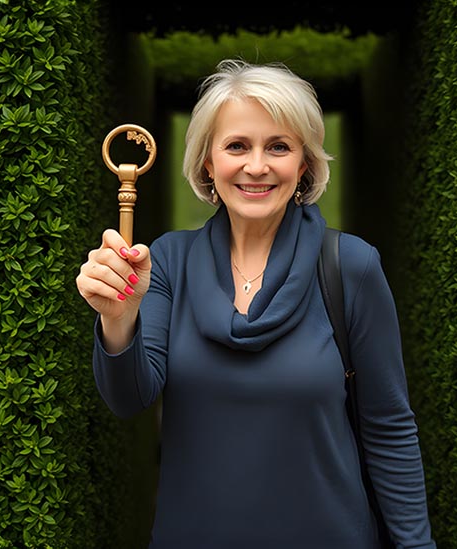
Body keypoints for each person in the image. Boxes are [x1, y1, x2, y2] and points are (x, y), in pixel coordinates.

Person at [76, 58, 436, 548]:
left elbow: (390, 428)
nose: (257, 166)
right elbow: (129, 397)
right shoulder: (166, 262)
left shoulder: (350, 266)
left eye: (279, 147)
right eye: (237, 146)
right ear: (208, 161)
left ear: (304, 163)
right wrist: (118, 318)